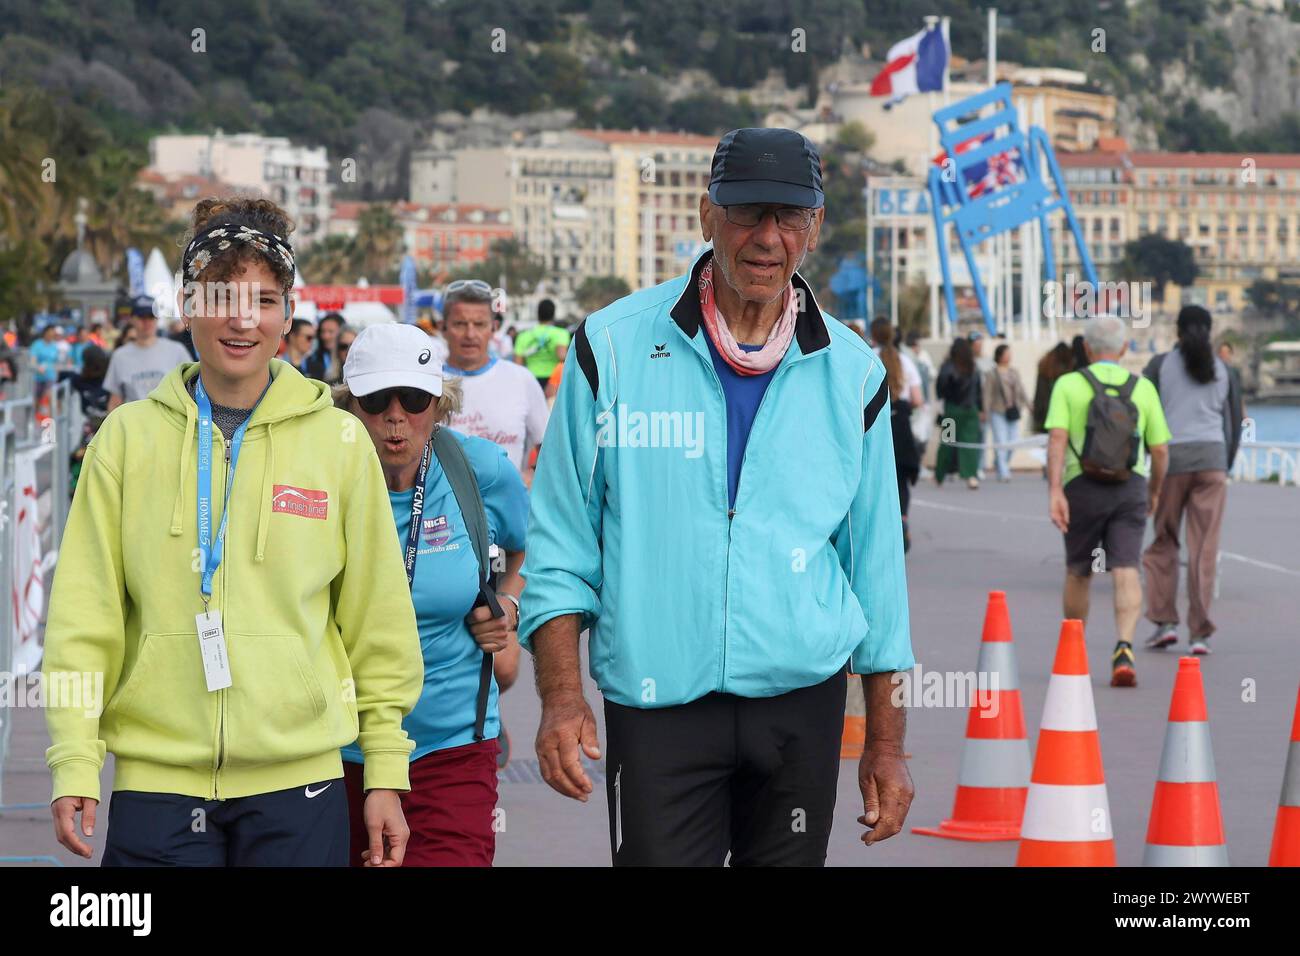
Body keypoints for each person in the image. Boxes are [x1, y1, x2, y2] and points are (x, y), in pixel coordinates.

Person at [521, 127, 914, 867]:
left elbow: (877, 577)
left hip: (802, 705)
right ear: (707, 216)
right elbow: (562, 547)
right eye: (746, 214)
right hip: (658, 703)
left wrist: (888, 746)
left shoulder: (853, 373)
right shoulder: (610, 348)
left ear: (815, 228)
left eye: (788, 218)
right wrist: (562, 700)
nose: (767, 239)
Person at [43, 197, 423, 867]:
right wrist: (75, 760)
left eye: (265, 299)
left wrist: (386, 768)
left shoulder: (338, 440)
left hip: (298, 782)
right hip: (156, 784)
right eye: (221, 296)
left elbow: (378, 621)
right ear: (188, 305)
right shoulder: (127, 439)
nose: (243, 319)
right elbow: (84, 617)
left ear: (287, 314)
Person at [335, 324, 528, 865]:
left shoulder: (478, 470)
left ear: (439, 405)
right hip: (340, 749)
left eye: (414, 399)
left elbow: (533, 550)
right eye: (376, 400)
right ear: (349, 406)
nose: (396, 416)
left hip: (451, 746)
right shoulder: (322, 479)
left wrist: (507, 604)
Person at [1045, 315, 1170, 688]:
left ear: (1086, 348)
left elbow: (1056, 440)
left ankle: (1075, 649)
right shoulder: (1143, 387)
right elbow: (1160, 449)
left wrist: (1054, 490)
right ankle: (1124, 648)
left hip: (1080, 485)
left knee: (1079, 570)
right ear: (1124, 348)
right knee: (1127, 567)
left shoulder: (1068, 384)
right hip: (1129, 485)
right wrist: (1153, 490)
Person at [1141, 306, 1243, 656]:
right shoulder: (1225, 370)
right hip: (1212, 460)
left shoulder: (1159, 366)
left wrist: (1148, 462)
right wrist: (1224, 464)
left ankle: (1164, 623)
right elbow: (1232, 423)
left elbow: (1146, 415)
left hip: (1172, 460)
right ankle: (1199, 633)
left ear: (1177, 330)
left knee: (1164, 541)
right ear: (1211, 330)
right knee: (1203, 549)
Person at [441, 279, 549, 474]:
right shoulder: (427, 384)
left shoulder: (522, 380)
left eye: (479, 324)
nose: (470, 334)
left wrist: (531, 479)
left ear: (493, 328)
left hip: (510, 504)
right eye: (460, 324)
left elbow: (550, 451)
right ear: (444, 327)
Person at [870, 318, 921, 551]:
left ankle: (881, 528)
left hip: (875, 420)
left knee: (876, 476)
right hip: (900, 422)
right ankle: (903, 519)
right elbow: (918, 399)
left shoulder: (866, 356)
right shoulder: (905, 361)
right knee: (901, 477)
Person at [103, 295, 192, 410]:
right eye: (141, 317)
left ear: (157, 318)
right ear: (132, 319)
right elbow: (115, 401)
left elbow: (191, 391)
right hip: (134, 423)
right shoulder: (120, 356)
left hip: (169, 422)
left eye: (151, 317)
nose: (147, 322)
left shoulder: (177, 350)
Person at [934, 337, 983, 489]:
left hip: (952, 409)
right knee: (970, 443)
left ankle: (939, 475)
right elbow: (978, 390)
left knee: (947, 443)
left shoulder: (947, 366)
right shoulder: (973, 367)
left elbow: (940, 388)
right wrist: (980, 408)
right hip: (971, 410)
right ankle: (970, 476)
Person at [983, 343, 1031, 482]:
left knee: (1013, 442)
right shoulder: (991, 373)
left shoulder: (1013, 372)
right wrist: (985, 411)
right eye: (1006, 353)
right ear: (999, 355)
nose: (1009, 356)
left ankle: (1000, 462)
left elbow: (1021, 389)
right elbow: (987, 394)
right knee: (1001, 441)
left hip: (1013, 411)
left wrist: (1027, 403)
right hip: (998, 411)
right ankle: (1004, 472)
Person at [514, 299, 570, 392]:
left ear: (538, 314)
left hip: (530, 380)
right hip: (554, 382)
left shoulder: (523, 336)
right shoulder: (561, 333)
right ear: (553, 314)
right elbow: (562, 356)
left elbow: (517, 365)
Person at [1033, 341, 1075, 433]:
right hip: (1061, 413)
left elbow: (1039, 394)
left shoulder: (1045, 366)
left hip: (1045, 412)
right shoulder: (1067, 371)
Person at [30, 323, 63, 409]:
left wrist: (58, 374)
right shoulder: (37, 344)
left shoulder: (54, 346)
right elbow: (33, 360)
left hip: (51, 377)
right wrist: (37, 367)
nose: (51, 336)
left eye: (53, 334)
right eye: (49, 333)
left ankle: (53, 419)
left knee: (50, 397)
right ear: (45, 333)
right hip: (38, 377)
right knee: (37, 400)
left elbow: (57, 362)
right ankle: (35, 418)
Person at [304, 313, 343, 382]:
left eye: (331, 332)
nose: (326, 336)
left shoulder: (350, 357)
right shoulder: (312, 359)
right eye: (323, 331)